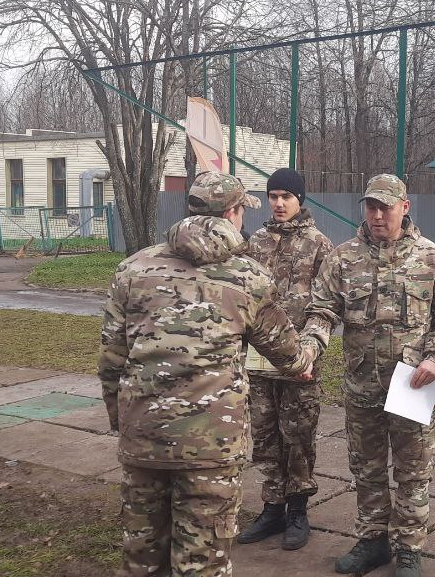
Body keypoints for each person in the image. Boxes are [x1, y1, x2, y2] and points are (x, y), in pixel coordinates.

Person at [99, 171, 315, 577]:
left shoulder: (132, 269)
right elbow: (287, 353)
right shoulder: (248, 277)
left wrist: (122, 420)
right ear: (233, 212)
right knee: (202, 561)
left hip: (143, 435)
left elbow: (111, 359)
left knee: (142, 556)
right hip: (212, 445)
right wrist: (309, 353)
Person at [301, 174, 435, 577]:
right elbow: (322, 311)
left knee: (413, 469)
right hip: (362, 384)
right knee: (367, 468)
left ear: (404, 207)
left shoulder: (431, 258)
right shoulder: (343, 258)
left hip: (412, 383)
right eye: (371, 207)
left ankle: (408, 547)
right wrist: (309, 349)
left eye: (385, 208)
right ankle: (373, 541)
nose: (377, 215)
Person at [237, 168, 335, 550]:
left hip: (299, 363)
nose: (278, 203)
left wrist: (307, 353)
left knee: (298, 436)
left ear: (300, 200)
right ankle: (272, 507)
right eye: (273, 196)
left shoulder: (319, 245)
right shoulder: (255, 243)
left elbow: (326, 306)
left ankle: (298, 510)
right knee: (264, 436)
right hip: (258, 362)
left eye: (286, 197)